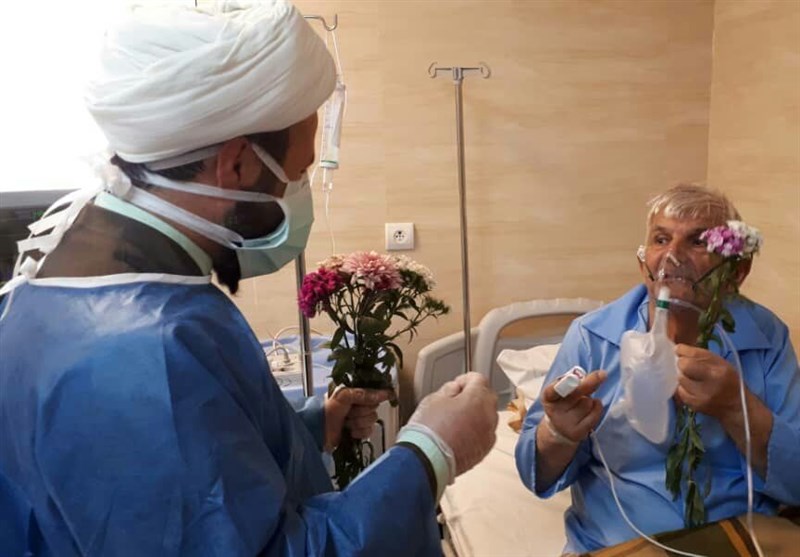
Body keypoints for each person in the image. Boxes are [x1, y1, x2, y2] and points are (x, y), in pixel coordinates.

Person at [0, 2, 498, 555]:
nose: (299, 193)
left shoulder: (67, 263)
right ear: (236, 164)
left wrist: (311, 427)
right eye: (299, 173)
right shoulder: (147, 349)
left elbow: (188, 472)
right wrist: (432, 451)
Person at [516, 184, 800, 553]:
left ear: (736, 272)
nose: (672, 256)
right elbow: (535, 475)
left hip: (738, 537)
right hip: (621, 541)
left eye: (697, 241)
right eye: (661, 239)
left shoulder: (765, 338)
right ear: (643, 264)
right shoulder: (592, 339)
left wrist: (735, 407)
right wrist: (558, 434)